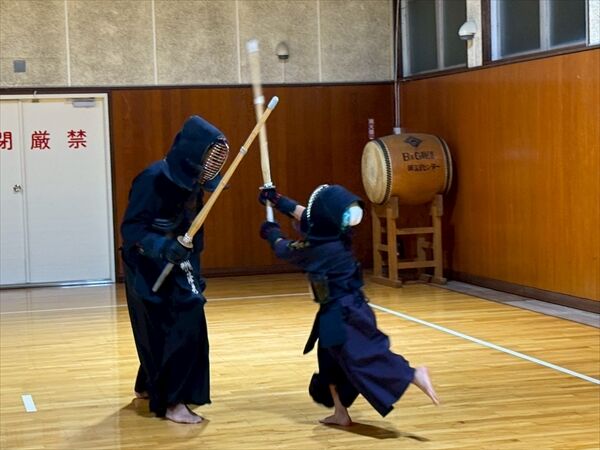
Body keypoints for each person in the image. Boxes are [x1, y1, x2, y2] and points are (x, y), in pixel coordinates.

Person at [259, 184, 439, 426]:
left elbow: (285, 249)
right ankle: (340, 413)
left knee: (362, 356)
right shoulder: (335, 235)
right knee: (330, 363)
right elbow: (307, 216)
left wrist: (272, 233)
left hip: (346, 314)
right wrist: (279, 200)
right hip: (339, 311)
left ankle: (413, 374)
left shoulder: (321, 249)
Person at [120, 115, 229, 424]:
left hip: (179, 264)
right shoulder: (151, 179)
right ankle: (171, 402)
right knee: (158, 327)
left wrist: (195, 273)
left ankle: (154, 388)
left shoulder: (196, 184)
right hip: (144, 264)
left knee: (186, 320)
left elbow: (195, 234)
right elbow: (131, 230)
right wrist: (162, 246)